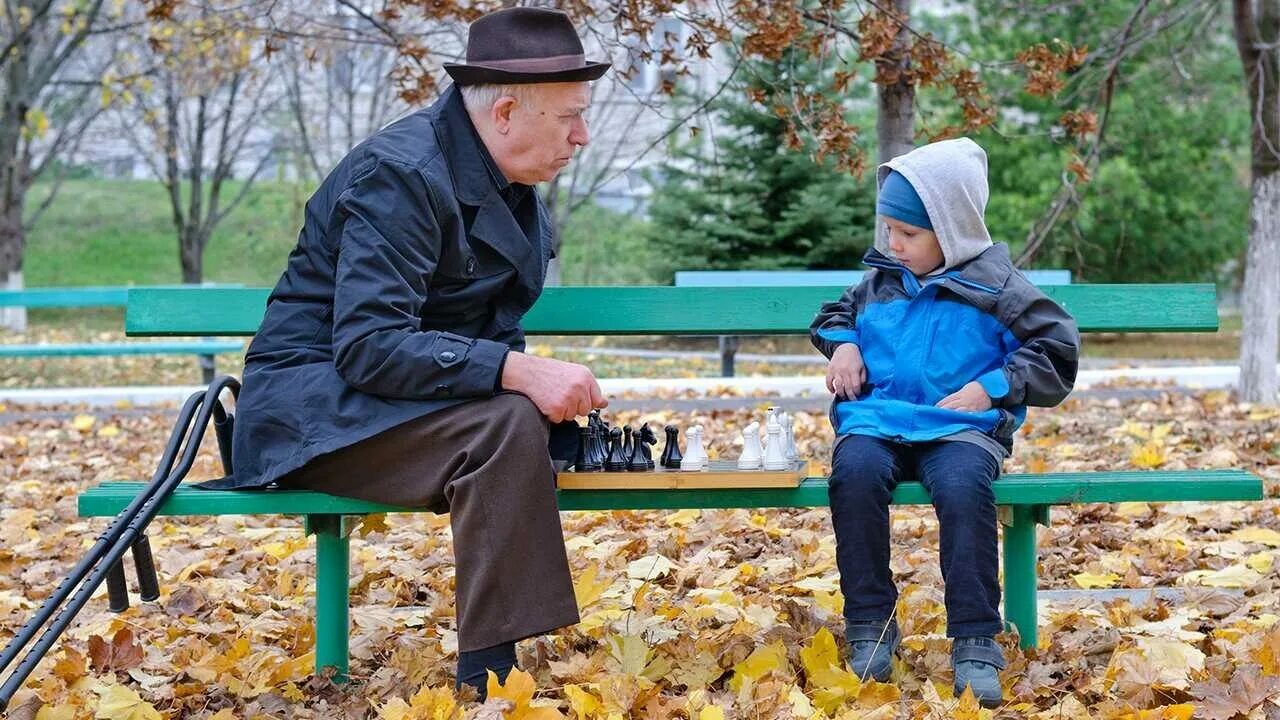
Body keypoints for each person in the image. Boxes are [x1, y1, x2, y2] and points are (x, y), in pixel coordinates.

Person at [224, 7, 610, 698]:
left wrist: (525, 384)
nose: (583, 135)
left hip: (387, 409)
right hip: (311, 413)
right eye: (569, 118)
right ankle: (490, 681)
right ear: (506, 113)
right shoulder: (400, 174)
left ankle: (492, 673)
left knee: (525, 426)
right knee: (505, 427)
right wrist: (518, 373)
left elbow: (486, 328)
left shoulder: (514, 187)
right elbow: (370, 346)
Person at [809, 138, 1080, 707]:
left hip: (958, 427)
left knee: (962, 486)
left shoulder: (998, 287)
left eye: (907, 235)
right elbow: (834, 314)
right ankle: (870, 624)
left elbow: (1054, 347)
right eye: (888, 229)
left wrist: (992, 388)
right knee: (853, 472)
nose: (892, 243)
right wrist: (843, 345)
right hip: (878, 420)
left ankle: (976, 639)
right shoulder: (880, 279)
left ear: (951, 230)